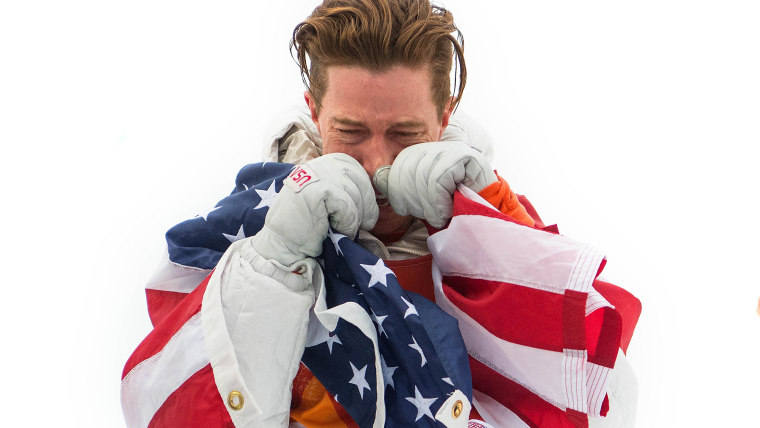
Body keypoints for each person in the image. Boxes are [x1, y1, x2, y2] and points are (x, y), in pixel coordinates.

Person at [121, 1, 640, 427]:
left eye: (405, 135)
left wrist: (495, 222)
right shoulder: (245, 234)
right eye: (349, 133)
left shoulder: (504, 241)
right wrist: (274, 264)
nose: (378, 164)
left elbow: (607, 403)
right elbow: (163, 408)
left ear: (444, 116)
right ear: (314, 110)